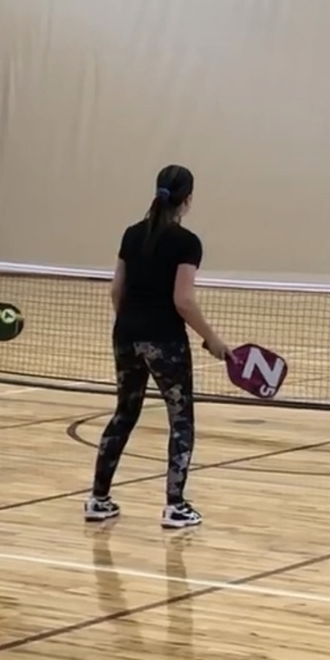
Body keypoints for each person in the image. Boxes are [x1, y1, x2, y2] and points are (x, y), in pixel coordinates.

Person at [84, 164, 230, 529]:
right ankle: (175, 506)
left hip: (125, 336)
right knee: (180, 419)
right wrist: (210, 338)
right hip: (165, 341)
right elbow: (183, 300)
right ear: (189, 199)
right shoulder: (186, 242)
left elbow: (116, 291)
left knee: (124, 413)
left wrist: (131, 327)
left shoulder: (132, 235)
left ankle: (98, 499)